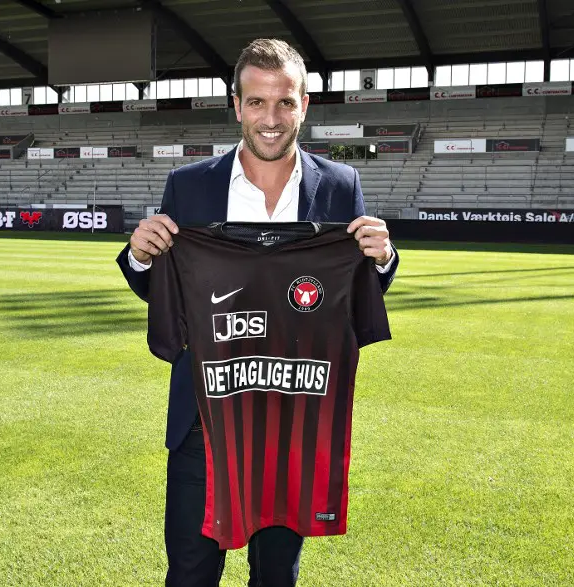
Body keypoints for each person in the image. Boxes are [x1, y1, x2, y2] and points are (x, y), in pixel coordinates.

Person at [117, 38, 399, 587]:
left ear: (305, 105)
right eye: (256, 102)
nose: (270, 119)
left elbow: (354, 288)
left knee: (276, 575)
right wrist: (141, 255)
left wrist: (383, 258)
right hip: (205, 417)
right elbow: (171, 295)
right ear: (237, 105)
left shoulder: (341, 187)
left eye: (284, 102)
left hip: (291, 419)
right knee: (191, 574)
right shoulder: (190, 185)